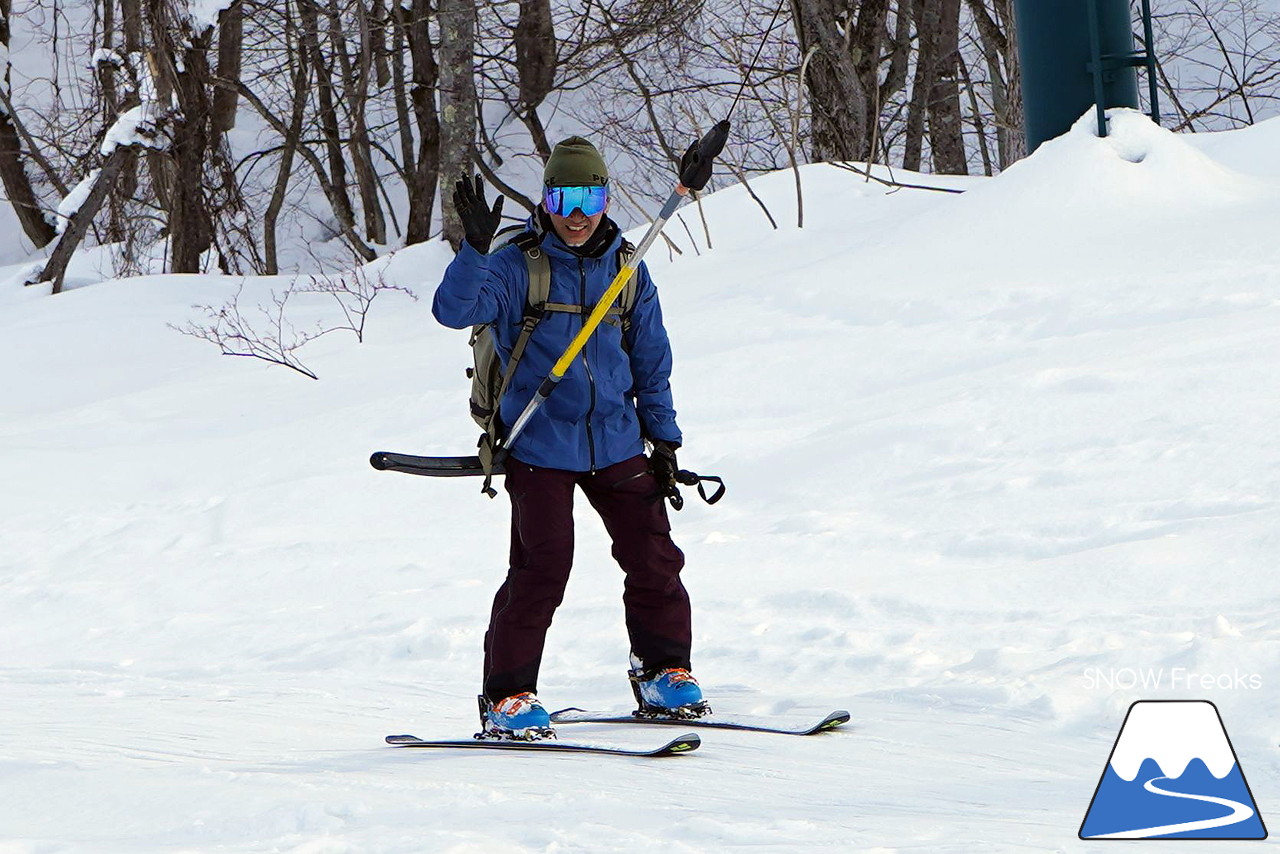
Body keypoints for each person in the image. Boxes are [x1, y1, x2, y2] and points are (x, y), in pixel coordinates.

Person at [431, 137, 705, 739]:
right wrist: (475, 248)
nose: (577, 213)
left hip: (617, 440)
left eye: (590, 197)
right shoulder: (514, 265)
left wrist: (663, 439)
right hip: (538, 442)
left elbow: (651, 361)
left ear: (606, 198)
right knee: (542, 568)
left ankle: (664, 672)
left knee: (654, 558)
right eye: (563, 197)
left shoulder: (628, 269)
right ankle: (506, 697)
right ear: (546, 200)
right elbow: (453, 312)